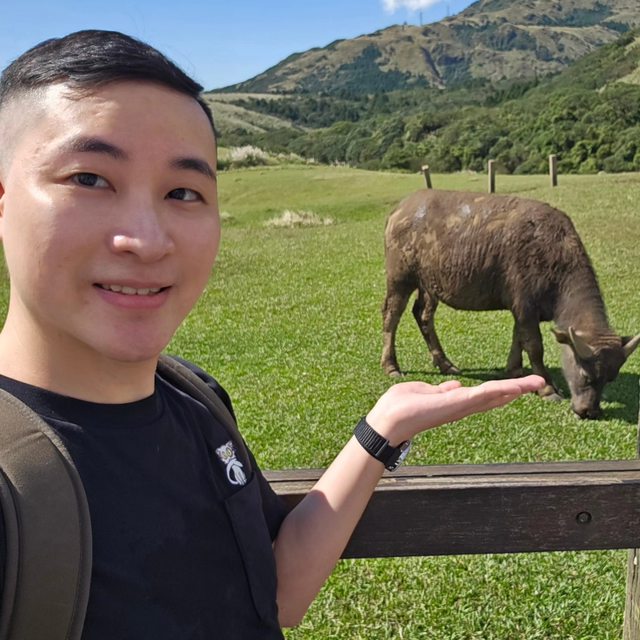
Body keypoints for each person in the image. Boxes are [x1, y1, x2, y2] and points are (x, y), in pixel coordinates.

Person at [0, 29, 545, 639]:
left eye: (183, 192)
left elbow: (275, 594)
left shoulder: (196, 399)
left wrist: (382, 430)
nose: (147, 240)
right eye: (89, 179)